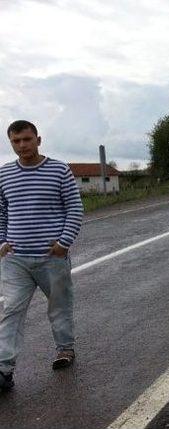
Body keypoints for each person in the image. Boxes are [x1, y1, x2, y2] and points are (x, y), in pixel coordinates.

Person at [0, 120, 83, 391]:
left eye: (26, 139)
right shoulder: (4, 175)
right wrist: (1, 241)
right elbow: (1, 212)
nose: (22, 145)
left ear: (38, 139)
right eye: (16, 141)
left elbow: (74, 207)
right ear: (11, 143)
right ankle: (3, 369)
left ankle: (64, 349)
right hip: (16, 260)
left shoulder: (59, 170)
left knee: (59, 306)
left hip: (52, 258)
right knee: (11, 311)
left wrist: (64, 242)